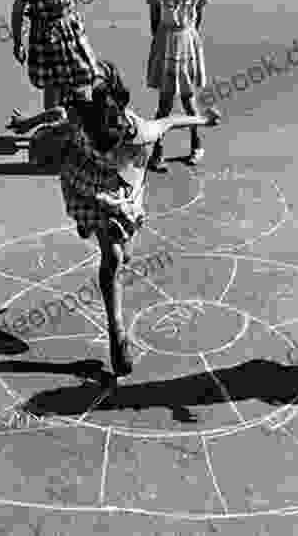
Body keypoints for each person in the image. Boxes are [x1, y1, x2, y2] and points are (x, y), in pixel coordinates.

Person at [57, 60, 221, 378]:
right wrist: (203, 119)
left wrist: (202, 119)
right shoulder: (109, 127)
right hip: (102, 190)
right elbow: (170, 121)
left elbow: (169, 121)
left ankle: (94, 227)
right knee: (114, 256)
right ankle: (117, 331)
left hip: (103, 186)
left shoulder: (110, 125)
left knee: (121, 251)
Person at [11, 0, 99, 113]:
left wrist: (70, 20)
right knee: (53, 84)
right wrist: (18, 43)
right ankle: (53, 127)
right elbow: (17, 12)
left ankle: (76, 121)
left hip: (71, 32)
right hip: (46, 36)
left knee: (83, 75)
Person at [146, 0, 211, 172]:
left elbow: (195, 24)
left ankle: (196, 146)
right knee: (164, 105)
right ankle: (157, 153)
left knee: (189, 101)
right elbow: (155, 26)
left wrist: (184, 41)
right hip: (166, 51)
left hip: (187, 50)